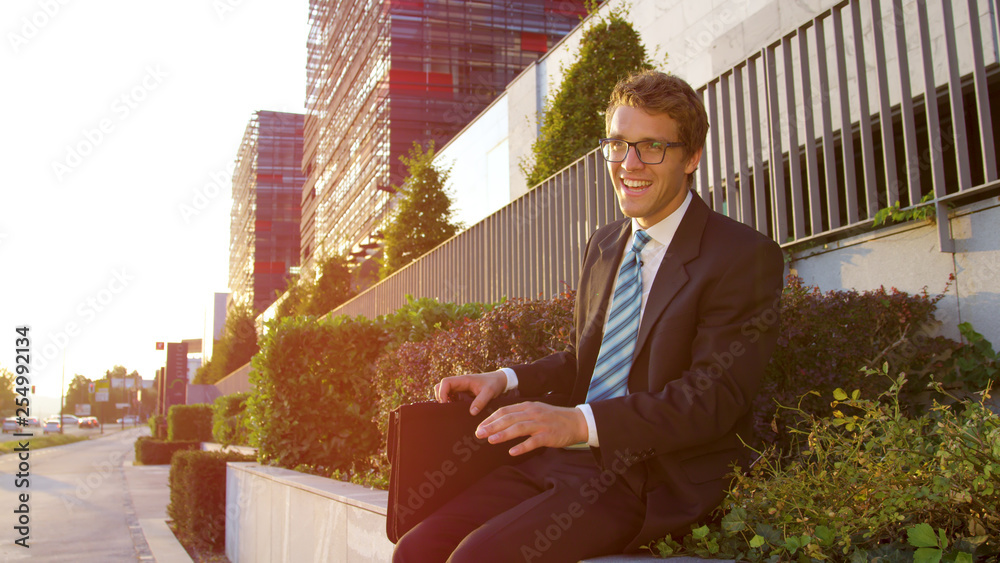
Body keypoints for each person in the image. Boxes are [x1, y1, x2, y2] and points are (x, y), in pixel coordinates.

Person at [393, 70, 785, 562]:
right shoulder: (604, 244)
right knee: (416, 549)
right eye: (619, 145)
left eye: (651, 147)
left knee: (476, 559)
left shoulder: (742, 255)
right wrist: (507, 378)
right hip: (560, 458)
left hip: (647, 476)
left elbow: (713, 400)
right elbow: (588, 355)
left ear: (692, 157)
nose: (629, 163)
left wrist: (579, 423)